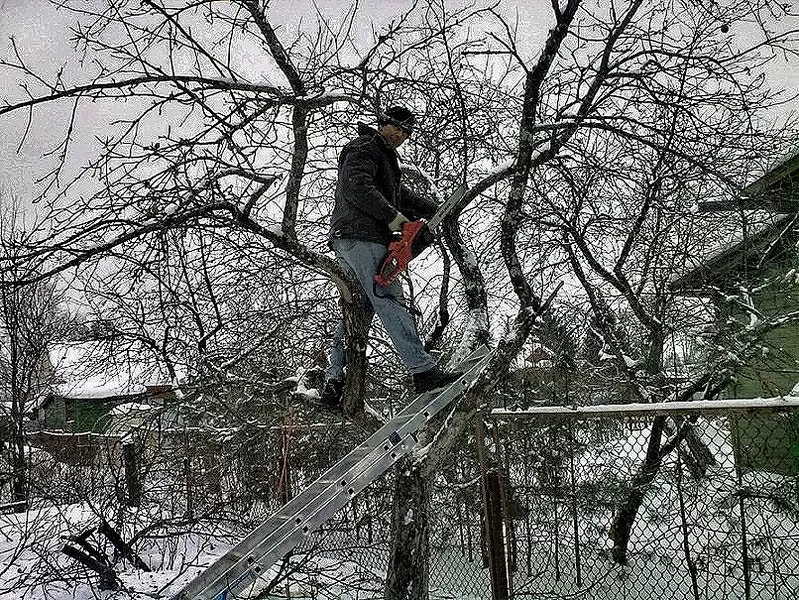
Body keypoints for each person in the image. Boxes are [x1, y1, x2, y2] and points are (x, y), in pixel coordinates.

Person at [320, 106, 461, 408]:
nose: (399, 135)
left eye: (405, 132)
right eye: (395, 127)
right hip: (362, 235)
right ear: (381, 123)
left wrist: (433, 210)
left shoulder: (384, 159)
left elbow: (400, 197)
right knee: (388, 297)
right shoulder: (364, 147)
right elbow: (358, 188)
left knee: (357, 307)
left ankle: (334, 379)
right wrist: (396, 221)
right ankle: (422, 371)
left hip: (350, 238)